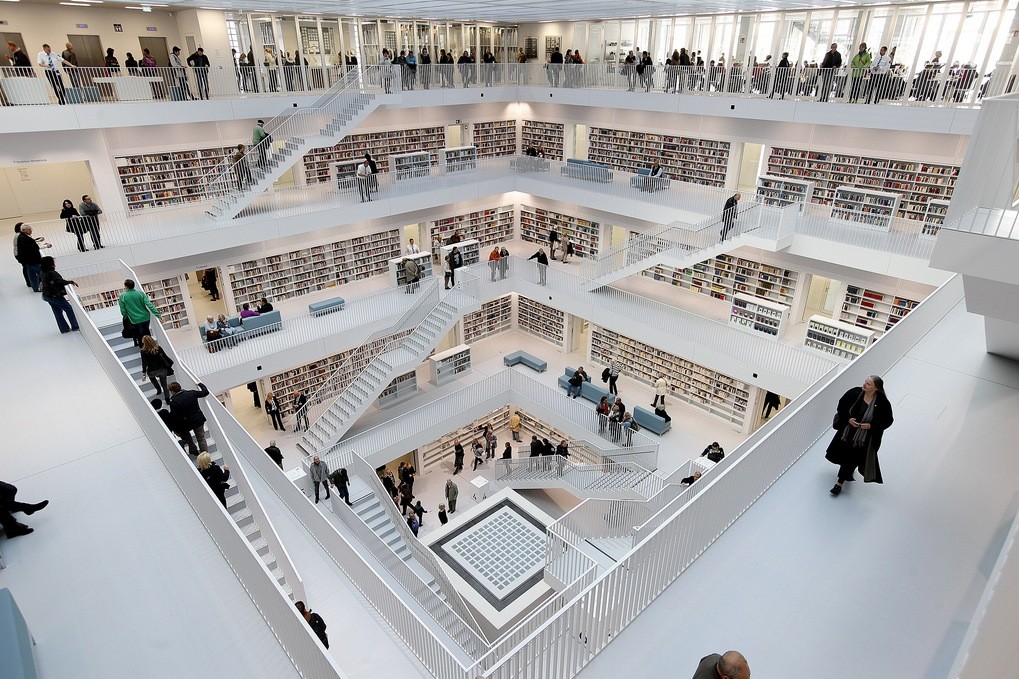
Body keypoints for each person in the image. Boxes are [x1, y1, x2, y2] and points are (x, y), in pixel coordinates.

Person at [825, 375, 894, 496]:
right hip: (847, 433)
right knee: (846, 455)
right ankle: (843, 478)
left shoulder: (882, 402)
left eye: (868, 384)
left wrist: (871, 425)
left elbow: (888, 420)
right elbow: (841, 406)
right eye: (865, 382)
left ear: (876, 388)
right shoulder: (855, 392)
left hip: (863, 438)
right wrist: (848, 419)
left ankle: (842, 479)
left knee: (852, 457)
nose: (864, 385)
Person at [37, 256, 80, 334]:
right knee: (69, 309)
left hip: (47, 295)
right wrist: (70, 282)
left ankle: (64, 329)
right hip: (55, 295)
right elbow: (59, 281)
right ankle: (75, 325)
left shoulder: (42, 272)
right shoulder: (52, 273)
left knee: (57, 312)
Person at [168, 381, 210, 456]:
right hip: (198, 419)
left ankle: (193, 450)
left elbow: (175, 417)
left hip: (185, 423)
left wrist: (176, 429)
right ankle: (205, 457)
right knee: (201, 439)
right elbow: (205, 392)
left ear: (172, 391)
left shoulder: (174, 402)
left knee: (188, 438)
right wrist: (200, 384)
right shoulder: (191, 393)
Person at [118, 279, 162, 347]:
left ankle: (143, 348)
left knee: (140, 334)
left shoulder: (122, 297)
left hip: (135, 319)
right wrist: (158, 314)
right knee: (147, 332)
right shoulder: (140, 294)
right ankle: (151, 347)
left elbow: (123, 310)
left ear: (126, 287)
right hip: (146, 317)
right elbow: (149, 305)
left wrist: (126, 316)